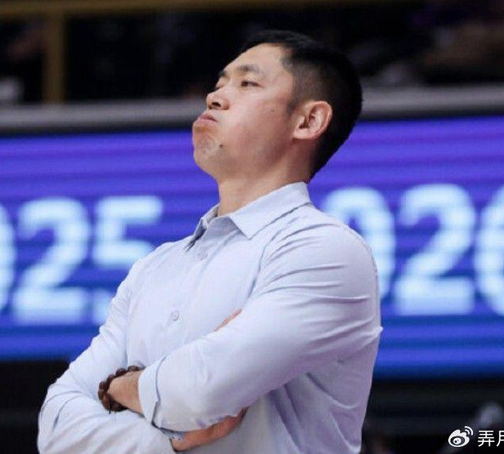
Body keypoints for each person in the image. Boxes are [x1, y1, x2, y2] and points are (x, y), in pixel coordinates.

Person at [37, 29, 382, 453]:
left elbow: (200, 392)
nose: (215, 97)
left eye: (247, 83)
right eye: (220, 84)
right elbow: (56, 431)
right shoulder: (155, 267)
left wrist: (121, 386)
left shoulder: (325, 250)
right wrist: (169, 441)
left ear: (308, 121)